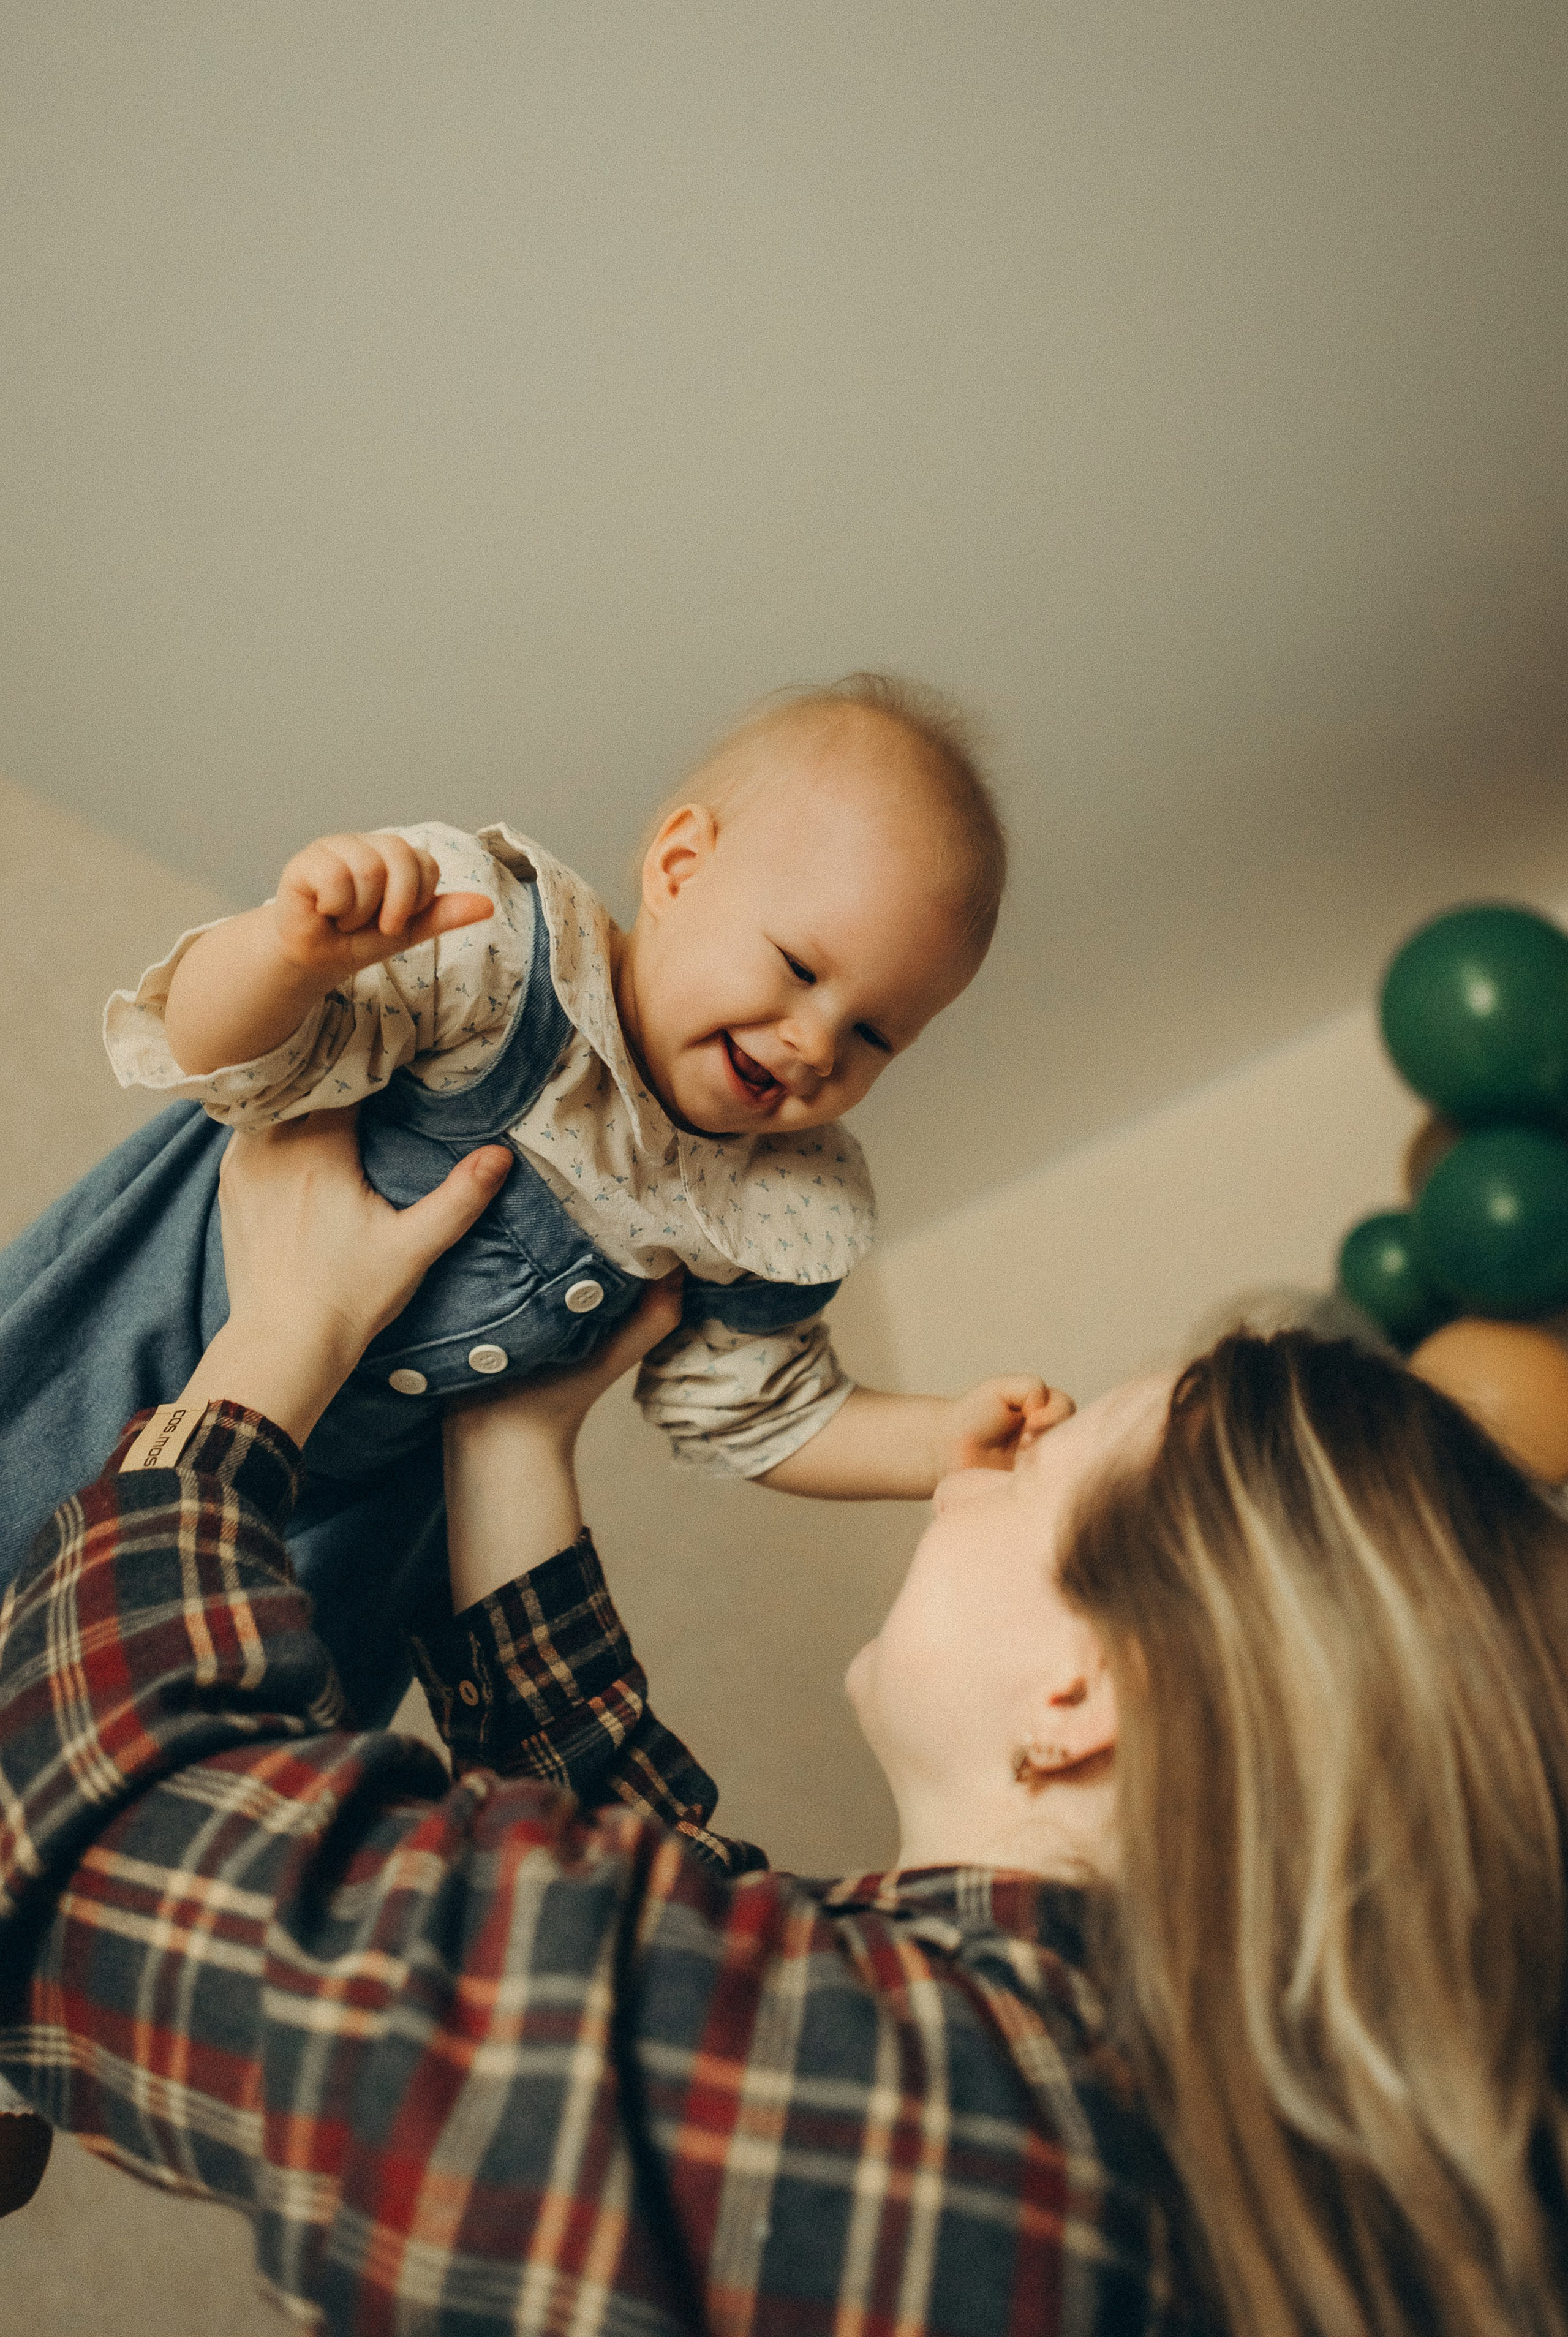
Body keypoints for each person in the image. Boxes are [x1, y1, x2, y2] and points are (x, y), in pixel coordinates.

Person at [8, 1116, 1566, 2334]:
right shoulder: (1128, 2123)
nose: (963, 1474)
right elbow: (676, 1905)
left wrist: (275, 1342)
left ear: (1080, 1692)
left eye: (1034, 1471)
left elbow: (113, 1829)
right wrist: (508, 1433)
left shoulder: (971, 2135)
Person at [0, 674, 1051, 1721]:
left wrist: (941, 1439)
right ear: (680, 866)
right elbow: (224, 1057)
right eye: (799, 966)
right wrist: (286, 956)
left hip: (336, 1531)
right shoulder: (501, 960)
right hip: (142, 1339)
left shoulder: (762, 1201)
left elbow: (765, 1412)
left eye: (876, 1034)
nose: (817, 1043)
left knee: (167, 1725)